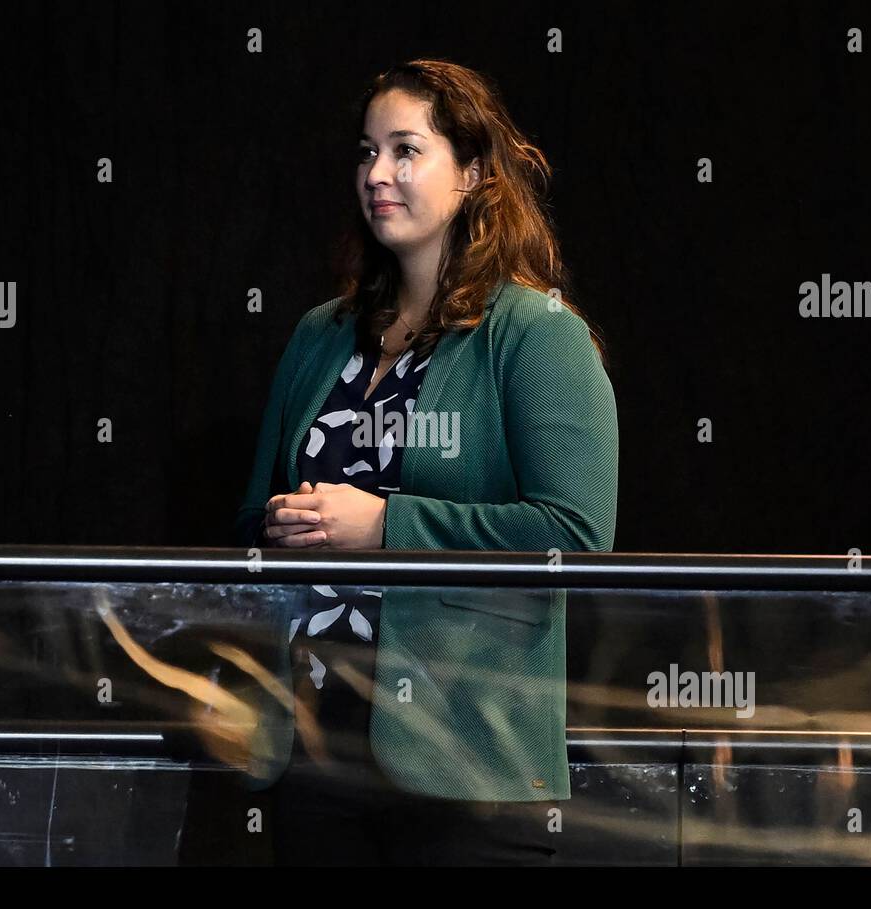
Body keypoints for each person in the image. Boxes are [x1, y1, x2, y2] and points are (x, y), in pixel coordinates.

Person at [233, 59, 619, 865]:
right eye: (368, 152)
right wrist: (280, 526)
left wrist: (385, 526)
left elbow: (576, 536)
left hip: (462, 756)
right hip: (308, 743)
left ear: (473, 173)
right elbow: (251, 517)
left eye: (407, 150)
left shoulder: (535, 333)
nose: (378, 174)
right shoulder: (319, 334)